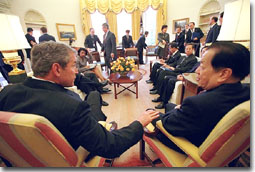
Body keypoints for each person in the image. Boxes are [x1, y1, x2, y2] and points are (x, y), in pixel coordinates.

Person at [0, 41, 160, 159]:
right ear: (56, 69)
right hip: (77, 150)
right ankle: (103, 123)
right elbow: (110, 146)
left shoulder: (6, 93)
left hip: (24, 157)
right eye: (73, 65)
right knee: (95, 105)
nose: (77, 71)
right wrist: (140, 122)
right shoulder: (72, 106)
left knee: (93, 96)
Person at [149, 42, 250, 154]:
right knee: (168, 105)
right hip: (212, 136)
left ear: (224, 74)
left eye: (202, 66)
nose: (197, 71)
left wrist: (179, 109)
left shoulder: (197, 103)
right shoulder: (247, 91)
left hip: (191, 145)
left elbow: (167, 124)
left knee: (149, 113)